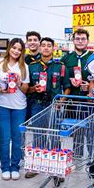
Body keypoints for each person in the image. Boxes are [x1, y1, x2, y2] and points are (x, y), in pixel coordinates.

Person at [25, 37, 71, 178]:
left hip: (54, 105)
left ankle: (55, 167)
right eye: (43, 45)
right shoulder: (32, 66)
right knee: (38, 135)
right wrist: (34, 88)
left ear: (53, 48)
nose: (45, 48)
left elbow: (67, 87)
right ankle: (37, 166)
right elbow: (27, 89)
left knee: (55, 136)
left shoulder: (61, 67)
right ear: (39, 48)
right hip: (37, 105)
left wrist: (61, 100)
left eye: (48, 46)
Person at [0, 38, 29, 181]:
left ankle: (15, 166)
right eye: (14, 48)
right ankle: (5, 167)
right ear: (9, 48)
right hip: (1, 105)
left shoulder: (24, 66)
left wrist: (19, 82)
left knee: (17, 139)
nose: (16, 51)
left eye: (19, 49)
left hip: (19, 106)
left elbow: (26, 89)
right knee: (4, 138)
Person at [60, 29, 92, 96]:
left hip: (89, 100)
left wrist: (91, 86)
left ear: (88, 41)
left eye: (83, 39)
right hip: (70, 99)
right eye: (77, 39)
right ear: (73, 41)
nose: (80, 41)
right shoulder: (65, 59)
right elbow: (59, 77)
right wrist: (69, 79)